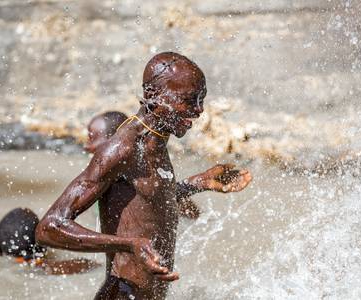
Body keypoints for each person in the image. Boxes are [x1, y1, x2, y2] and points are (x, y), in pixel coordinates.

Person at [36, 52, 252, 299]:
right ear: (152, 95)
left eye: (201, 99)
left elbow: (148, 204)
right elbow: (49, 227)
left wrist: (198, 183)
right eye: (189, 100)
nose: (199, 110)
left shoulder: (155, 142)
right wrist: (128, 245)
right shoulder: (123, 149)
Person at [84, 111, 200, 219]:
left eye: (91, 138)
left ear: (115, 141)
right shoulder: (103, 174)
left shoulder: (126, 174)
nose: (86, 146)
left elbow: (161, 196)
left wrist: (195, 184)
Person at [0, 207, 99, 275]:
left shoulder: (2, 272)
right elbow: (96, 266)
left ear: (0, 250)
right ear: (43, 242)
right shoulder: (79, 266)